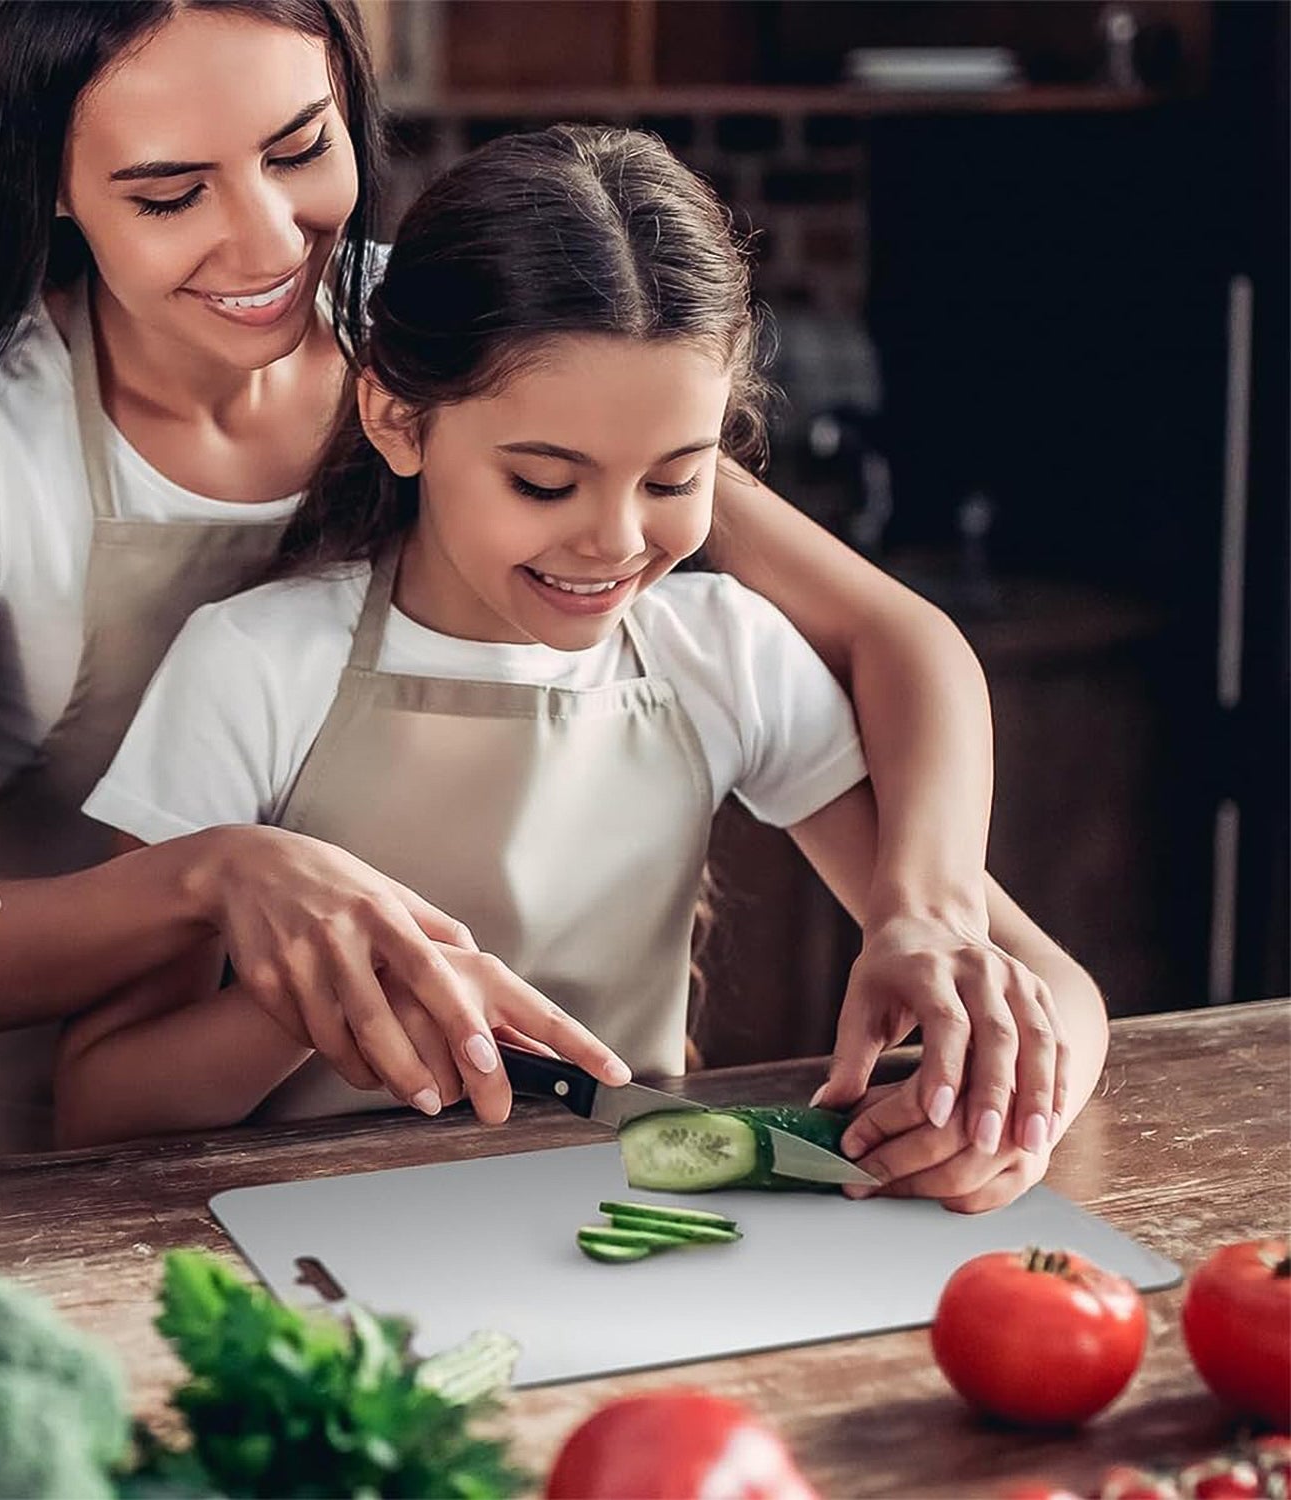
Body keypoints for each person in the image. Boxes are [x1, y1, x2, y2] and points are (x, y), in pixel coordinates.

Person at [0, 0, 1067, 1165]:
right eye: (171, 193)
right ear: (48, 187)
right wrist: (221, 877)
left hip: (515, 1164)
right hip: (80, 1145)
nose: (268, 240)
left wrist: (934, 908)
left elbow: (892, 634)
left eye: (300, 151)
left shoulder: (453, 342)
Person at [59, 125, 1108, 1213]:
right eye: (545, 484)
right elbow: (100, 1105)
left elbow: (1056, 989)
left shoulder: (722, 653)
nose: (613, 542)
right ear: (396, 418)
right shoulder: (255, 667)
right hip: (306, 1243)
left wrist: (1011, 1108)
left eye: (671, 481)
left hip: (628, 1232)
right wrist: (311, 997)